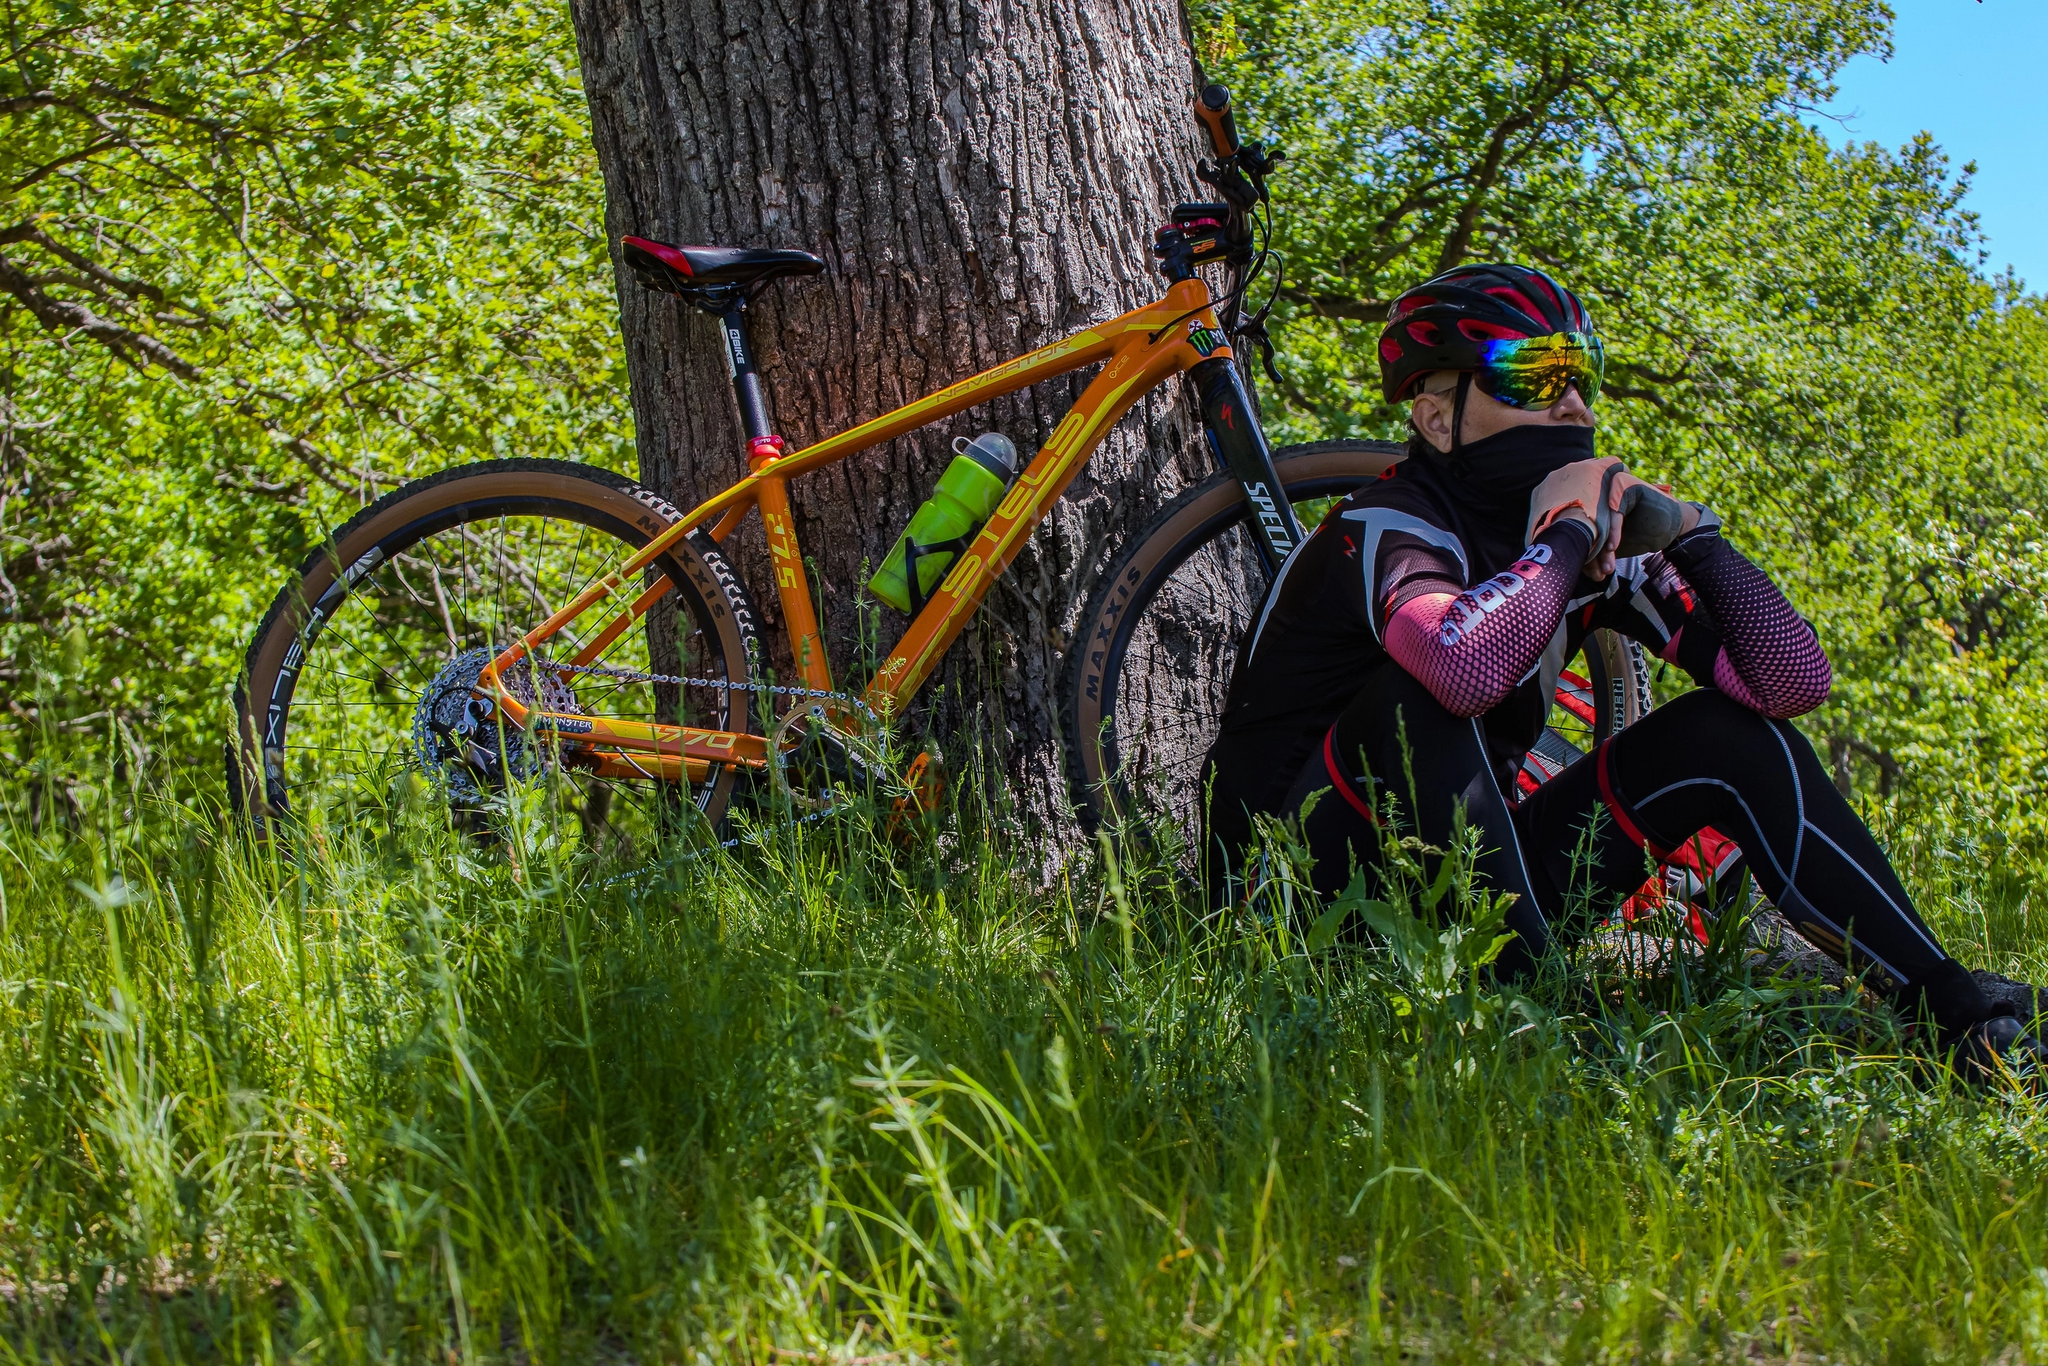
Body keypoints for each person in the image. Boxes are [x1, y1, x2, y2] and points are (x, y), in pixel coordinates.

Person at [1204, 262, 2044, 1078]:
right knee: (1412, 699)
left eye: (1581, 374)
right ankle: (1536, 1030)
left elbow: (1790, 683)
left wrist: (1691, 535)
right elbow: (1462, 670)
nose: (1573, 403)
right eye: (1532, 376)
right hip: (1290, 906)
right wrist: (1569, 535)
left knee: (1726, 735)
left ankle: (1959, 1018)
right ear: (1436, 418)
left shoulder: (1586, 546)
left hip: (1465, 896)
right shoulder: (1387, 521)